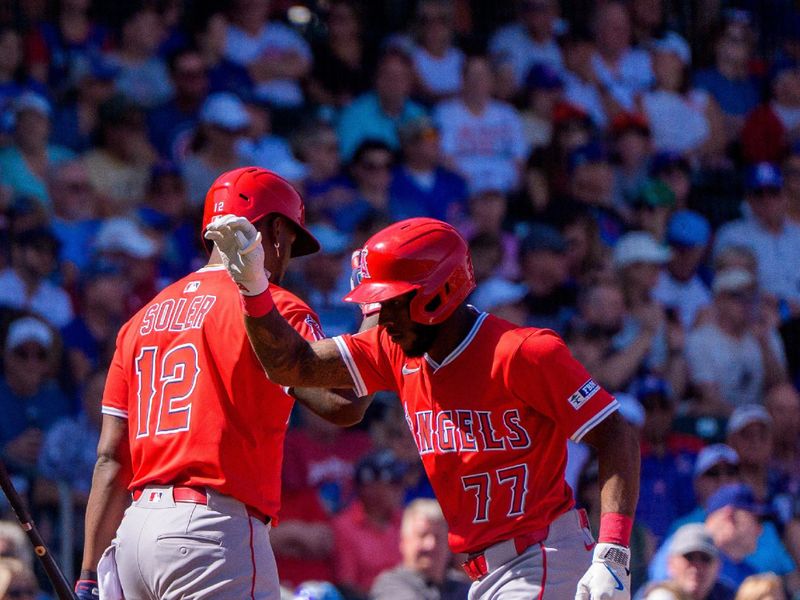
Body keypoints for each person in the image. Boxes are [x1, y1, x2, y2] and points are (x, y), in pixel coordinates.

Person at [205, 215, 641, 599]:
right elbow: (294, 364)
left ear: (441, 292)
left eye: (393, 304)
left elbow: (616, 434)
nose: (382, 317)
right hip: (489, 573)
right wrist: (254, 289)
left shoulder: (524, 353)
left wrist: (614, 552)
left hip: (546, 556)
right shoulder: (397, 348)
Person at [75, 168, 358, 599]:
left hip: (133, 538)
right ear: (276, 231)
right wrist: (378, 333)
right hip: (211, 532)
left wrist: (88, 573)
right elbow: (344, 405)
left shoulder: (141, 319)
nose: (287, 258)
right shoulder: (275, 309)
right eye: (291, 243)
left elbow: (111, 458)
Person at [370, 498, 471, 600]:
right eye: (422, 535)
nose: (431, 545)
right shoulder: (390, 585)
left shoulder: (463, 587)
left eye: (438, 537)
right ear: (404, 541)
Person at [662, 523, 733, 600]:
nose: (697, 566)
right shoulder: (660, 596)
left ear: (718, 566)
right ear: (671, 564)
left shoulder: (730, 596)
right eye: (689, 557)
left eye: (705, 558)